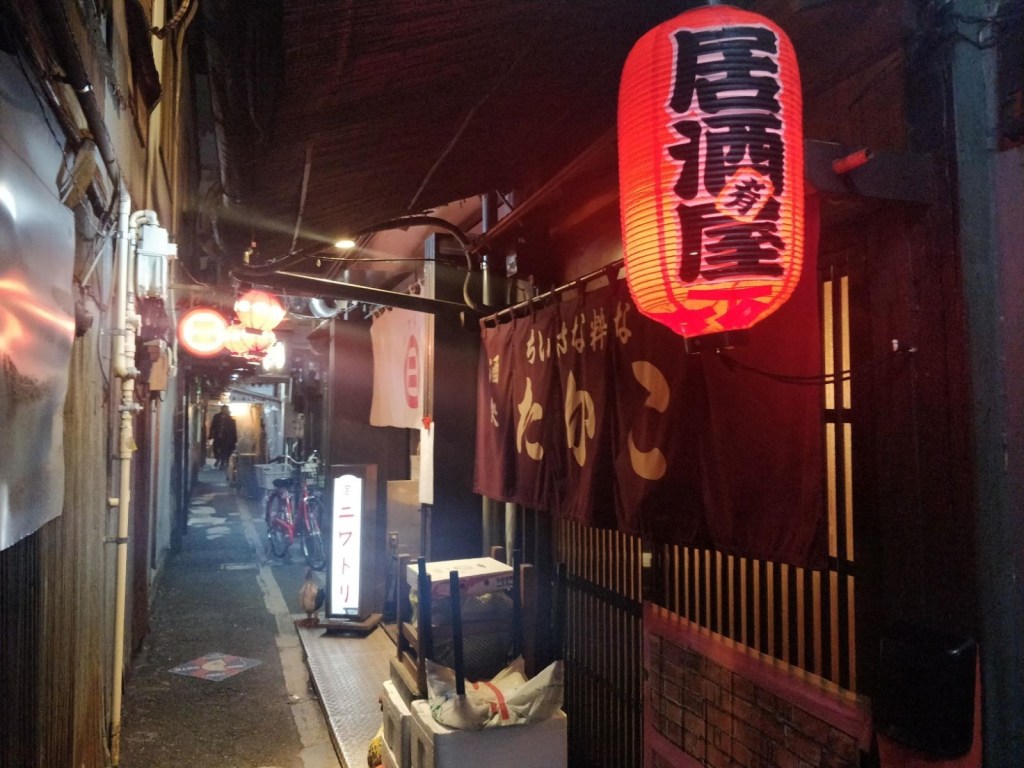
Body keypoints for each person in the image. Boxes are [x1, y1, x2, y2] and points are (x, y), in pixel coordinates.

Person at [209, 405, 237, 470]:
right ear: (221, 409)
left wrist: (234, 439)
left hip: (226, 438)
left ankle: (222, 462)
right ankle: (218, 458)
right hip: (217, 436)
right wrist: (210, 435)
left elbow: (233, 430)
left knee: (224, 450)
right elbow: (213, 426)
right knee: (215, 449)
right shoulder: (216, 417)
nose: (225, 410)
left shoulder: (230, 419)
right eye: (224, 409)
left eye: (226, 409)